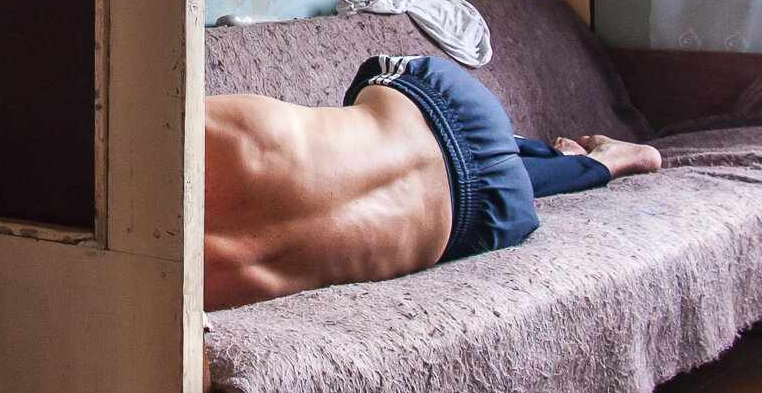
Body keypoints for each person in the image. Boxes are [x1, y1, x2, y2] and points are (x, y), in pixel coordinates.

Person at [205, 54, 661, 310]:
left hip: (487, 216)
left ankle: (602, 163)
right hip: (457, 105)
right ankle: (549, 150)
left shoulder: (186, 293)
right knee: (394, 125)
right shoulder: (175, 132)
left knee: (461, 181)